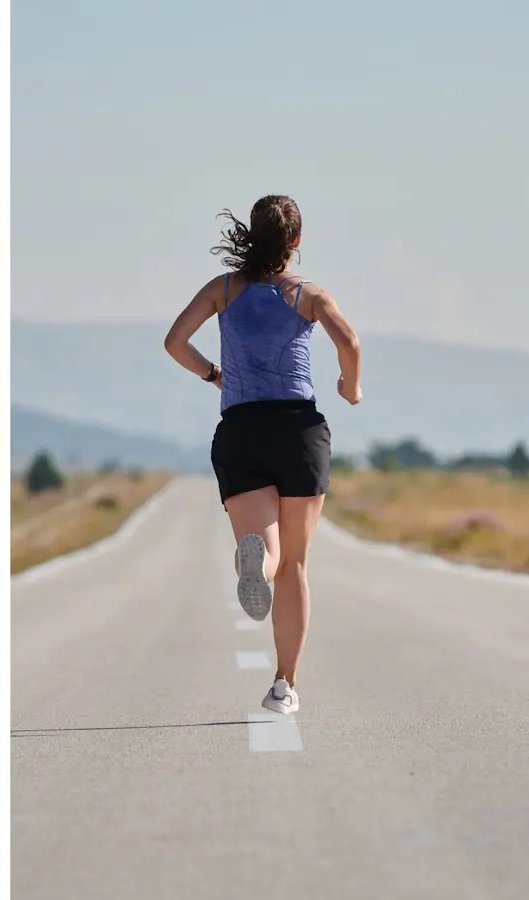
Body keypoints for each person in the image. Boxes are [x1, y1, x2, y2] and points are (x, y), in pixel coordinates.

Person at [163, 194, 362, 715]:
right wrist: (350, 387)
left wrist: (214, 374)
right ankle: (284, 686)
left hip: (243, 429)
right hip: (299, 431)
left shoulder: (224, 289)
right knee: (296, 564)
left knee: (266, 549)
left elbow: (175, 341)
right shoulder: (308, 294)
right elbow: (349, 342)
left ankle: (255, 563)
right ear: (296, 241)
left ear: (251, 236)